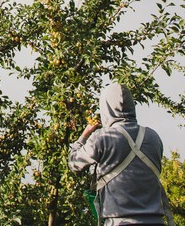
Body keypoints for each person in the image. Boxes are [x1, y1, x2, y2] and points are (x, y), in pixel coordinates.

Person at [67, 82, 174, 226]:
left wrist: (84, 135)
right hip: (156, 221)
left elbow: (74, 163)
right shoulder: (153, 137)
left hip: (119, 221)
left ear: (105, 108)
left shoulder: (102, 137)